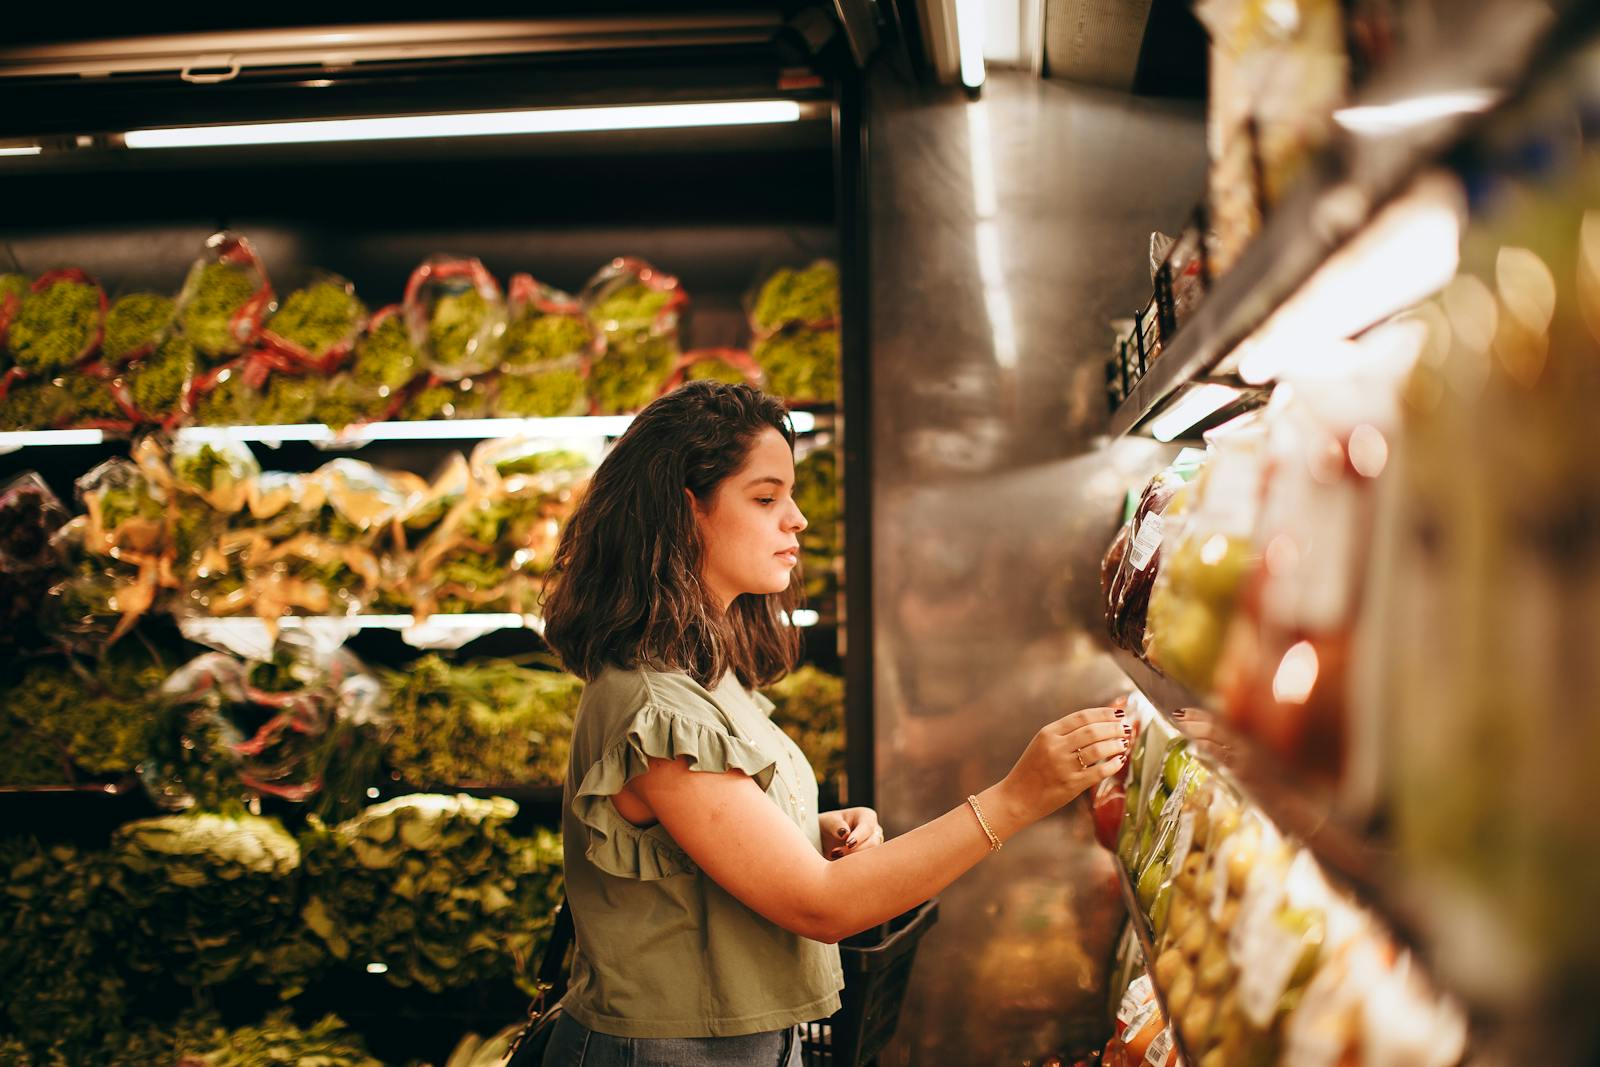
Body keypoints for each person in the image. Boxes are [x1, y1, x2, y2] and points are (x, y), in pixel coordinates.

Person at [539, 381, 1128, 1067]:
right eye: (765, 497)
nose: (798, 520)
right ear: (685, 509)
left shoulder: (704, 673)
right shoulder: (655, 707)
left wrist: (804, 829)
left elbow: (696, 850)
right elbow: (822, 906)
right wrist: (1017, 797)